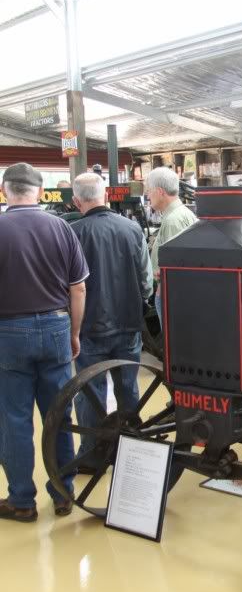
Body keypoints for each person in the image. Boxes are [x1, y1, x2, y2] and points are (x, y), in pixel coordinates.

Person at [0, 163, 88, 522]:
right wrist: (74, 332)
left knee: (14, 419)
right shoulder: (61, 227)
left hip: (8, 333)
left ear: (6, 190)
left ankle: (21, 501)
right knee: (58, 416)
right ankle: (63, 492)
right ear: (39, 191)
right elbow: (78, 287)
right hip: (56, 326)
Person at [70, 172, 153, 472]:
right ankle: (129, 450)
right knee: (128, 387)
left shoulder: (72, 232)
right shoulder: (132, 229)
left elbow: (67, 285)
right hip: (128, 324)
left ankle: (93, 456)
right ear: (105, 195)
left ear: (76, 200)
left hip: (88, 328)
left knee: (91, 392)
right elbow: (146, 280)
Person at [145, 167, 197, 324]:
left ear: (160, 192)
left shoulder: (173, 220)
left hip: (171, 295)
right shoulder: (181, 214)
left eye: (149, 191)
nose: (147, 196)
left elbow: (178, 267)